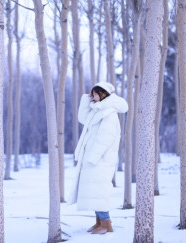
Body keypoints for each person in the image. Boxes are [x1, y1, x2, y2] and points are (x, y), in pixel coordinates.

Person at [67, 81, 128, 234]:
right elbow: (83, 118)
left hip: (100, 160)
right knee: (94, 192)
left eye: (95, 94)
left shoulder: (109, 113)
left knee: (99, 192)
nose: (92, 96)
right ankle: (99, 222)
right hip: (93, 159)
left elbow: (105, 138)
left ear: (103, 94)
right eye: (92, 94)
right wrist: (86, 99)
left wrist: (93, 157)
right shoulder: (98, 110)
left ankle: (106, 224)